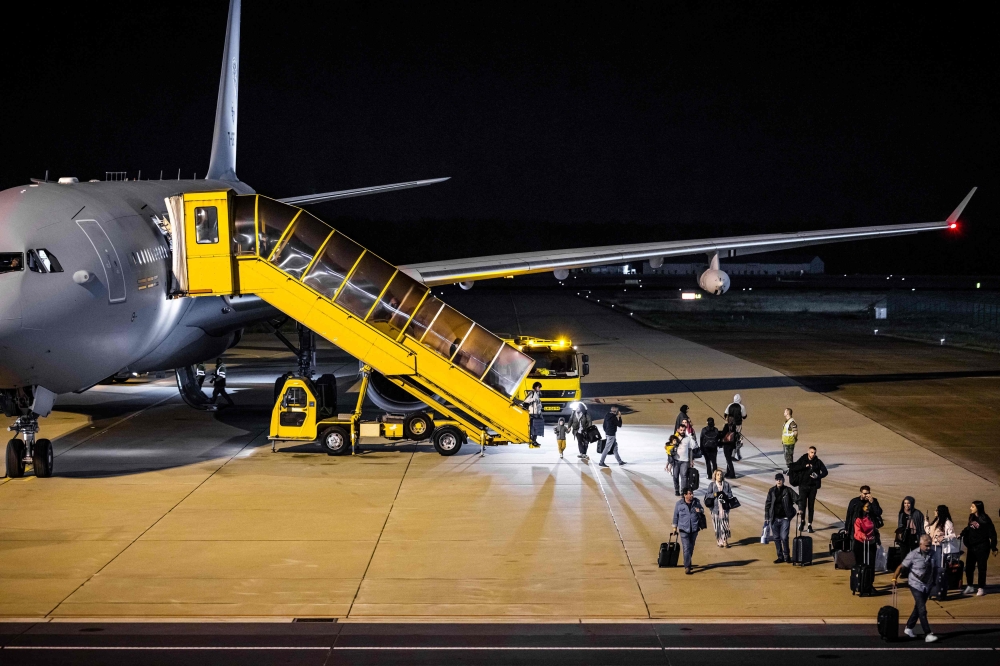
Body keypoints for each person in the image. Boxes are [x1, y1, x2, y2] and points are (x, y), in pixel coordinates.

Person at [893, 534, 939, 643]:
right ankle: (928, 633)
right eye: (926, 546)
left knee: (918, 608)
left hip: (927, 584)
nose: (928, 548)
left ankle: (909, 628)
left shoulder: (934, 554)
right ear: (920, 544)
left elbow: (936, 568)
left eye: (930, 545)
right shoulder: (913, 555)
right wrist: (894, 578)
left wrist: (935, 582)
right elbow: (901, 566)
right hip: (915, 584)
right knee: (922, 609)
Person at [961, 501, 997, 596]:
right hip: (972, 547)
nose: (970, 508)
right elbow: (969, 528)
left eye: (972, 506)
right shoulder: (971, 517)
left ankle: (981, 588)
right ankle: (970, 585)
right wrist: (962, 533)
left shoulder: (985, 519)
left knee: (981, 568)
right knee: (969, 567)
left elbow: (992, 534)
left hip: (982, 547)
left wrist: (994, 547)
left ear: (978, 508)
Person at [764, 473, 799, 564]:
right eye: (777, 479)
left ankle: (787, 556)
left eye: (780, 479)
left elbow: (798, 499)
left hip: (785, 518)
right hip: (774, 519)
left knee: (784, 537)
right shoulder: (771, 491)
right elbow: (767, 505)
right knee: (776, 538)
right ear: (775, 480)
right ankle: (780, 557)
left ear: (783, 480)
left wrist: (801, 508)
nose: (779, 481)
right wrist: (767, 517)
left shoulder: (788, 490)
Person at [672, 486, 705, 574]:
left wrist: (700, 511)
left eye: (692, 493)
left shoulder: (696, 502)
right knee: (686, 547)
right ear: (685, 495)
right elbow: (675, 516)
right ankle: (687, 567)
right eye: (690, 494)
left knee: (691, 547)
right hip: (683, 529)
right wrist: (674, 528)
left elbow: (702, 510)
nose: (692, 495)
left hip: (694, 528)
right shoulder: (679, 504)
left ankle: (687, 561)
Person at [793, 446, 827, 533]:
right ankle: (802, 521)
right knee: (802, 506)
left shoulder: (818, 462)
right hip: (803, 486)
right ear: (808, 451)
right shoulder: (802, 460)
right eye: (812, 452)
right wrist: (805, 466)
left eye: (814, 453)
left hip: (813, 487)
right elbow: (795, 468)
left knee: (811, 506)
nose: (813, 454)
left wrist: (818, 476)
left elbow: (825, 472)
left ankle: (809, 525)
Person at [704, 468, 733, 547]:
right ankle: (719, 540)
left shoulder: (726, 484)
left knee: (725, 525)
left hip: (725, 508)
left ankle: (725, 541)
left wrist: (725, 494)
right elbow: (707, 495)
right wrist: (715, 494)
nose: (719, 476)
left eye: (721, 475)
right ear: (715, 476)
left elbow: (731, 494)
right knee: (717, 526)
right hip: (715, 509)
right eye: (718, 475)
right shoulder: (712, 485)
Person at [670, 425, 695, 496]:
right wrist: (669, 462)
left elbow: (691, 449)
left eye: (684, 430)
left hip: (684, 460)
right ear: (678, 430)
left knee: (684, 476)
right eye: (681, 430)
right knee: (675, 476)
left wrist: (691, 460)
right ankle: (676, 489)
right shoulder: (675, 438)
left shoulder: (688, 438)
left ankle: (683, 491)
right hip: (676, 460)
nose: (682, 431)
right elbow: (669, 449)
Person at [853, 502, 878, 567]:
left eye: (869, 506)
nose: (868, 508)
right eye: (866, 506)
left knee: (871, 562)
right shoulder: (858, 519)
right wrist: (862, 535)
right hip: (860, 543)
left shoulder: (871, 517)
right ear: (862, 507)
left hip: (871, 542)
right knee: (860, 563)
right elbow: (857, 531)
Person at [725, 394, 747, 460]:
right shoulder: (742, 407)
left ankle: (738, 455)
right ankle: (733, 455)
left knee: (732, 439)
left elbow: (725, 414)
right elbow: (744, 416)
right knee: (737, 439)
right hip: (738, 425)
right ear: (740, 400)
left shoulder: (730, 405)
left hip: (730, 425)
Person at [524, 382, 543, 448]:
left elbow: (538, 403)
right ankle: (531, 440)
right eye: (538, 387)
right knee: (533, 427)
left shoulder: (538, 394)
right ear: (535, 387)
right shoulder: (531, 393)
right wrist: (533, 399)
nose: (539, 388)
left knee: (536, 427)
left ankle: (534, 440)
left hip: (537, 413)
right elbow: (526, 401)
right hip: (532, 413)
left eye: (540, 387)